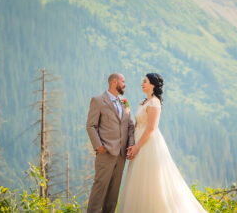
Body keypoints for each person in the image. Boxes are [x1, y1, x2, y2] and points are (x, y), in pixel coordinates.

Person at [117, 73, 207, 213]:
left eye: (145, 81)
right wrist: (131, 143)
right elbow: (137, 124)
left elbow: (151, 127)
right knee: (138, 180)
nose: (142, 83)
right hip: (137, 141)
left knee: (151, 180)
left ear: (152, 84)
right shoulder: (143, 102)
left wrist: (137, 147)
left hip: (148, 144)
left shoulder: (154, 102)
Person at [85, 72, 135, 213]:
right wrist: (99, 146)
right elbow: (90, 126)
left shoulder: (125, 102)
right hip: (105, 152)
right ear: (114, 82)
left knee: (114, 192)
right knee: (100, 188)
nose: (125, 84)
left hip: (121, 155)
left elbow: (130, 125)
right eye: (123, 81)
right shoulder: (98, 100)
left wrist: (130, 145)